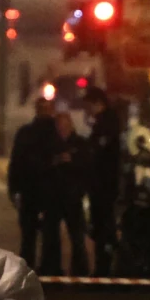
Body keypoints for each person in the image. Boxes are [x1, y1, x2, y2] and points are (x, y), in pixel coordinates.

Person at [7, 98, 57, 269]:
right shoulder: (55, 133)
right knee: (47, 235)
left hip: (32, 191)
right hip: (47, 192)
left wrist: (13, 189)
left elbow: (16, 163)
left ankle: (29, 270)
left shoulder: (26, 132)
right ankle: (48, 269)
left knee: (30, 236)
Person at [41, 113, 90, 276]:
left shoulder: (80, 144)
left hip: (73, 196)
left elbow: (87, 166)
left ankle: (80, 270)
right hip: (53, 196)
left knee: (77, 235)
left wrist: (73, 160)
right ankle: (51, 268)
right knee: (50, 235)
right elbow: (40, 166)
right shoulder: (49, 144)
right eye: (59, 126)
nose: (62, 129)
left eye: (65, 125)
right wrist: (55, 161)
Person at [84, 87, 122, 277]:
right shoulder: (106, 122)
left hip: (104, 185)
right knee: (102, 226)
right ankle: (103, 266)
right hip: (103, 184)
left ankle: (103, 268)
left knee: (103, 226)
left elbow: (98, 152)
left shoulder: (107, 123)